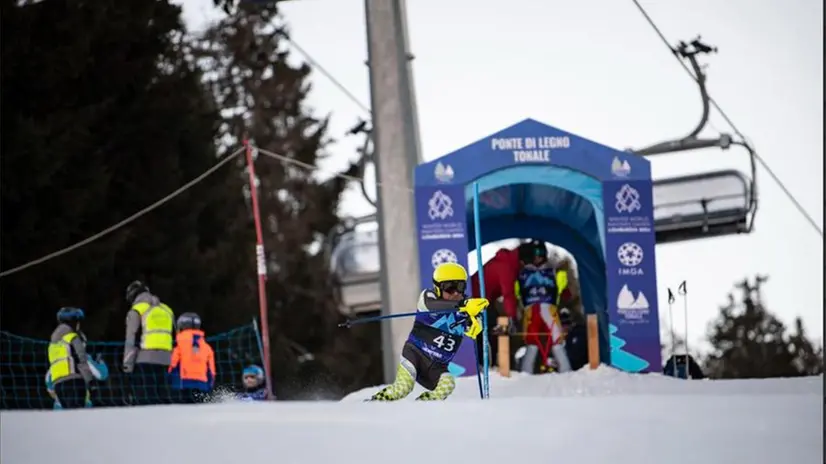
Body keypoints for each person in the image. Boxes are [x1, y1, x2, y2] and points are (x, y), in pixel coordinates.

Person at [368, 262, 489, 402]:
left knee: (448, 384)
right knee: (402, 389)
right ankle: (375, 402)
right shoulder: (427, 298)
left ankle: (425, 406)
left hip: (437, 366)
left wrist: (476, 323)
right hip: (415, 354)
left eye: (460, 287)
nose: (456, 293)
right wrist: (464, 305)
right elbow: (436, 306)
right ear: (437, 288)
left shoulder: (467, 307)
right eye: (450, 288)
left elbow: (472, 324)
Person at [514, 239, 574, 374]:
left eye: (540, 253)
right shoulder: (522, 274)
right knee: (531, 340)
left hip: (549, 308)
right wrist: (518, 311)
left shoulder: (553, 272)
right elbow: (517, 293)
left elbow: (565, 290)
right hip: (531, 309)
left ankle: (566, 370)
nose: (538, 257)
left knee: (556, 338)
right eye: (535, 254)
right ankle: (526, 371)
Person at [123, 280, 175, 405]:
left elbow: (131, 341)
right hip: (167, 361)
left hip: (144, 360)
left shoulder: (136, 310)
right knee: (163, 400)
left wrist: (127, 368)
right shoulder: (167, 310)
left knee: (145, 402)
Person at [47, 307, 95, 409]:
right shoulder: (72, 337)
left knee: (69, 416)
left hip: (58, 385)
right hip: (74, 381)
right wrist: (90, 381)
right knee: (79, 415)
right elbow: (81, 359)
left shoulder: (53, 343)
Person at [168, 312, 216, 404]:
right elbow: (211, 371)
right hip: (202, 385)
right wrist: (209, 385)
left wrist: (170, 380)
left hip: (182, 385)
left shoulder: (179, 346)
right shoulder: (207, 347)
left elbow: (172, 365)